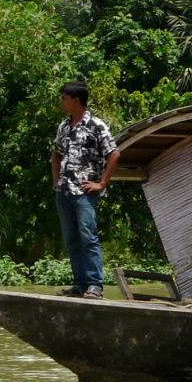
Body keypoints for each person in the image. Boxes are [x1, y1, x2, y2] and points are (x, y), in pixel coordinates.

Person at [51, 81, 119, 299]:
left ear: (76, 101)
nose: (61, 102)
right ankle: (80, 284)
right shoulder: (64, 126)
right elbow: (56, 154)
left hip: (84, 193)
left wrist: (101, 183)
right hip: (64, 192)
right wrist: (56, 180)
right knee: (72, 240)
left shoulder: (96, 125)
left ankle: (95, 286)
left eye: (64, 98)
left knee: (88, 237)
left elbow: (114, 153)